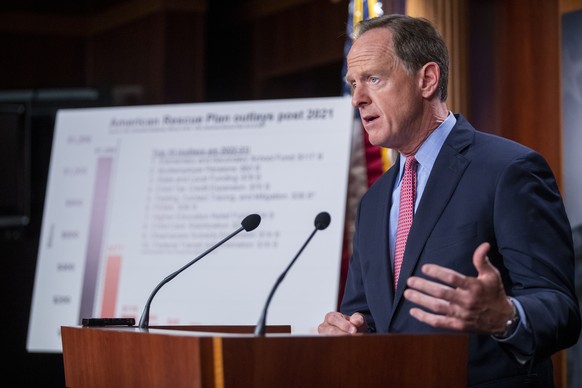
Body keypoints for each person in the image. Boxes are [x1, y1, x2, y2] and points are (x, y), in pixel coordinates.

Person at [318, 14, 581, 387]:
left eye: (374, 79)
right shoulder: (374, 200)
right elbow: (368, 314)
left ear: (427, 79)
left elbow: (561, 310)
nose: (358, 99)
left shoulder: (509, 169)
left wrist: (506, 316)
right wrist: (351, 331)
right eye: (354, 84)